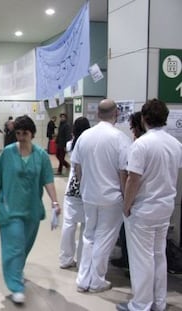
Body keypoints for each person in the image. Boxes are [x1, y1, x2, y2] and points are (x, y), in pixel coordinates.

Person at [116, 99, 182, 311]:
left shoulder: (140, 145)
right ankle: (159, 302)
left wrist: (126, 205)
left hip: (144, 209)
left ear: (144, 119)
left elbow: (133, 180)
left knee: (141, 259)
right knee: (158, 255)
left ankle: (141, 304)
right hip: (165, 207)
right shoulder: (175, 144)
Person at [0, 115, 61, 305]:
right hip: (9, 208)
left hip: (31, 210)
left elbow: (48, 180)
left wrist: (55, 202)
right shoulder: (8, 153)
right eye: (18, 133)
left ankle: (17, 270)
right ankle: (16, 286)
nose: (21, 137)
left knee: (24, 246)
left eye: (25, 133)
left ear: (33, 134)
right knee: (14, 247)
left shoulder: (41, 156)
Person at [71, 99, 131, 293]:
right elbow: (124, 172)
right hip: (111, 198)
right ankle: (96, 280)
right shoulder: (120, 138)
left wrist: (83, 187)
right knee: (104, 239)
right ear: (116, 114)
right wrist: (126, 197)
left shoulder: (84, 137)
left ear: (97, 114)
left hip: (89, 195)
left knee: (89, 236)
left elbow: (77, 167)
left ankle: (83, 279)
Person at [111, 111, 146, 270]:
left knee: (134, 242)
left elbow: (130, 177)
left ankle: (130, 266)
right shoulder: (171, 144)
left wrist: (126, 203)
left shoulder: (139, 147)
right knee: (155, 250)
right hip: (162, 204)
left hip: (139, 201)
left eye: (132, 128)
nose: (132, 131)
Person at [59, 117, 90, 269]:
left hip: (72, 188)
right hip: (87, 188)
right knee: (86, 226)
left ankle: (65, 258)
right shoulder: (90, 145)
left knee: (69, 224)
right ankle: (82, 259)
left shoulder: (70, 144)